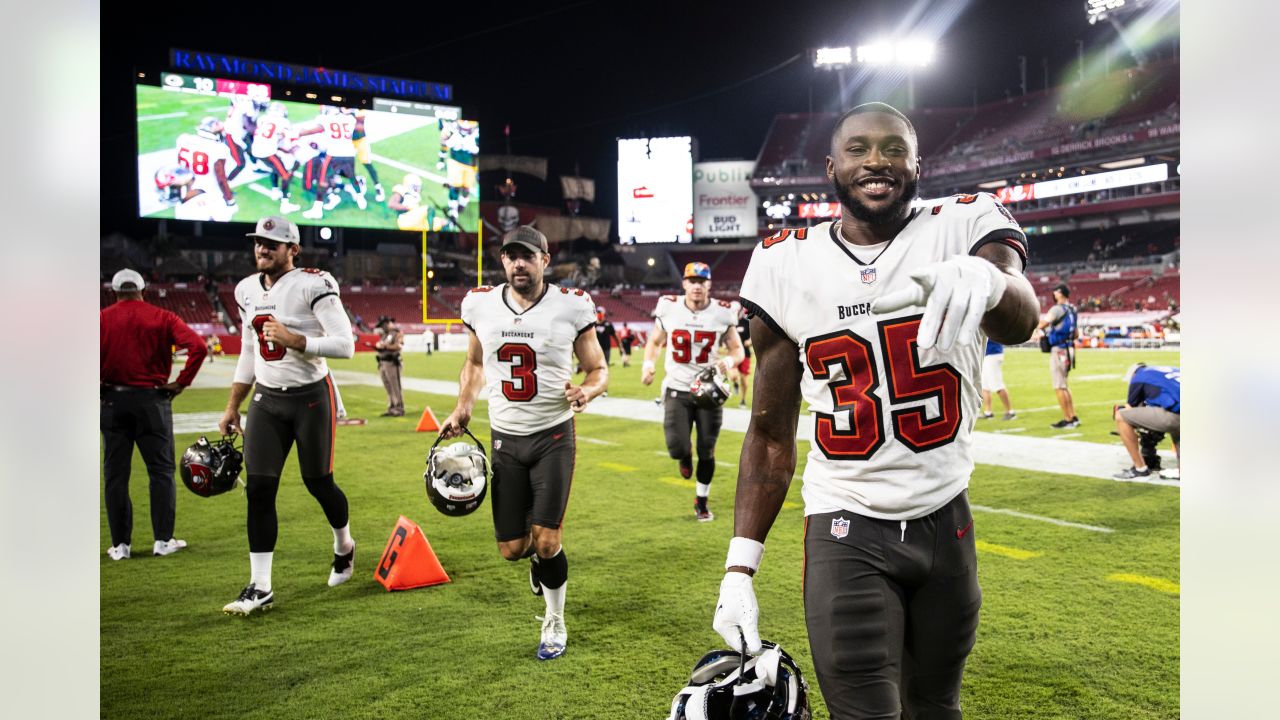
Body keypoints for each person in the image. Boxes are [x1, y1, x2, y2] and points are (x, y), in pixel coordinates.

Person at [712, 102, 1038, 720]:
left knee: (936, 707)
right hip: (847, 521)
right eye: (859, 149)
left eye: (893, 148)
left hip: (947, 516)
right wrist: (739, 567)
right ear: (832, 167)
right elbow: (769, 433)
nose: (876, 161)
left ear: (918, 164)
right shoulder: (785, 261)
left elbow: (1020, 314)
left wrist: (991, 281)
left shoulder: (964, 223)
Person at [441, 225, 608, 661]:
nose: (519, 263)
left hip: (554, 435)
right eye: (511, 256)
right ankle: (537, 562)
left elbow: (598, 369)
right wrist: (462, 407)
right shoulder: (480, 304)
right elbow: (474, 363)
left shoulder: (571, 306)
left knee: (548, 540)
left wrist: (587, 391)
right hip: (505, 440)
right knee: (513, 549)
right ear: (503, 261)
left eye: (527, 256)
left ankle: (554, 618)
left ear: (544, 261)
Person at [217, 216, 357, 615]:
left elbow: (345, 345)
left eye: (272, 244)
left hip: (311, 398)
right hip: (266, 400)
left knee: (319, 482)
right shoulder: (245, 289)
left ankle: (343, 545)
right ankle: (260, 586)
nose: (262, 249)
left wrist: (296, 340)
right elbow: (249, 350)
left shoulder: (314, 283)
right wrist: (232, 405)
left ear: (292, 250)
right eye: (259, 243)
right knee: (259, 489)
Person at [101, 269, 208, 560]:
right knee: (160, 473)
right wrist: (181, 382)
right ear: (143, 290)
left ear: (114, 291)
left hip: (113, 401)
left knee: (116, 475)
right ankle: (163, 540)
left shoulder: (101, 318)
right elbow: (198, 346)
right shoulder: (163, 317)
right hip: (153, 401)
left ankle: (121, 546)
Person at [641, 262, 745, 521]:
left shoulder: (722, 312)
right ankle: (684, 455)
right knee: (677, 448)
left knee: (707, 449)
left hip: (708, 389)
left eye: (702, 281)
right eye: (692, 281)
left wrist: (728, 362)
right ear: (684, 284)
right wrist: (648, 364)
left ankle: (701, 500)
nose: (697, 286)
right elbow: (654, 341)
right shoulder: (669, 307)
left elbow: (737, 350)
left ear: (709, 284)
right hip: (677, 387)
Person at [1113, 363, 1180, 479]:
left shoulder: (1139, 376)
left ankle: (1140, 468)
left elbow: (1129, 409)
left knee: (1121, 416)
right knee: (1176, 424)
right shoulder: (1170, 370)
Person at [1038, 283, 1079, 428]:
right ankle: (1073, 416)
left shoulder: (1056, 309)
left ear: (1060, 293)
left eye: (1055, 292)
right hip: (1069, 348)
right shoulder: (1073, 309)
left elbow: (1043, 323)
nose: (1054, 294)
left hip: (1059, 349)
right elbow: (1076, 334)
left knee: (1059, 386)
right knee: (1064, 385)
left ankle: (1068, 419)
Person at [375, 316, 405, 417]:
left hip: (392, 363)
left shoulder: (397, 333)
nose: (382, 327)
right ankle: (392, 407)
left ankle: (399, 408)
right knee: (388, 386)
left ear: (388, 323)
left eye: (383, 325)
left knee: (395, 386)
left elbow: (399, 346)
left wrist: (385, 346)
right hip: (382, 362)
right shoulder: (385, 335)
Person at [979, 338, 1016, 420]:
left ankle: (1010, 412)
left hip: (993, 353)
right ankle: (988, 412)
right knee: (985, 386)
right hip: (987, 354)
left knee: (997, 385)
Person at [730, 306, 754, 408]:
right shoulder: (730, 323)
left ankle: (743, 400)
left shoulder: (746, 322)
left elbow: (753, 336)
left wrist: (750, 341)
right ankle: (735, 384)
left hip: (745, 354)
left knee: (744, 379)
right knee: (733, 376)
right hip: (733, 353)